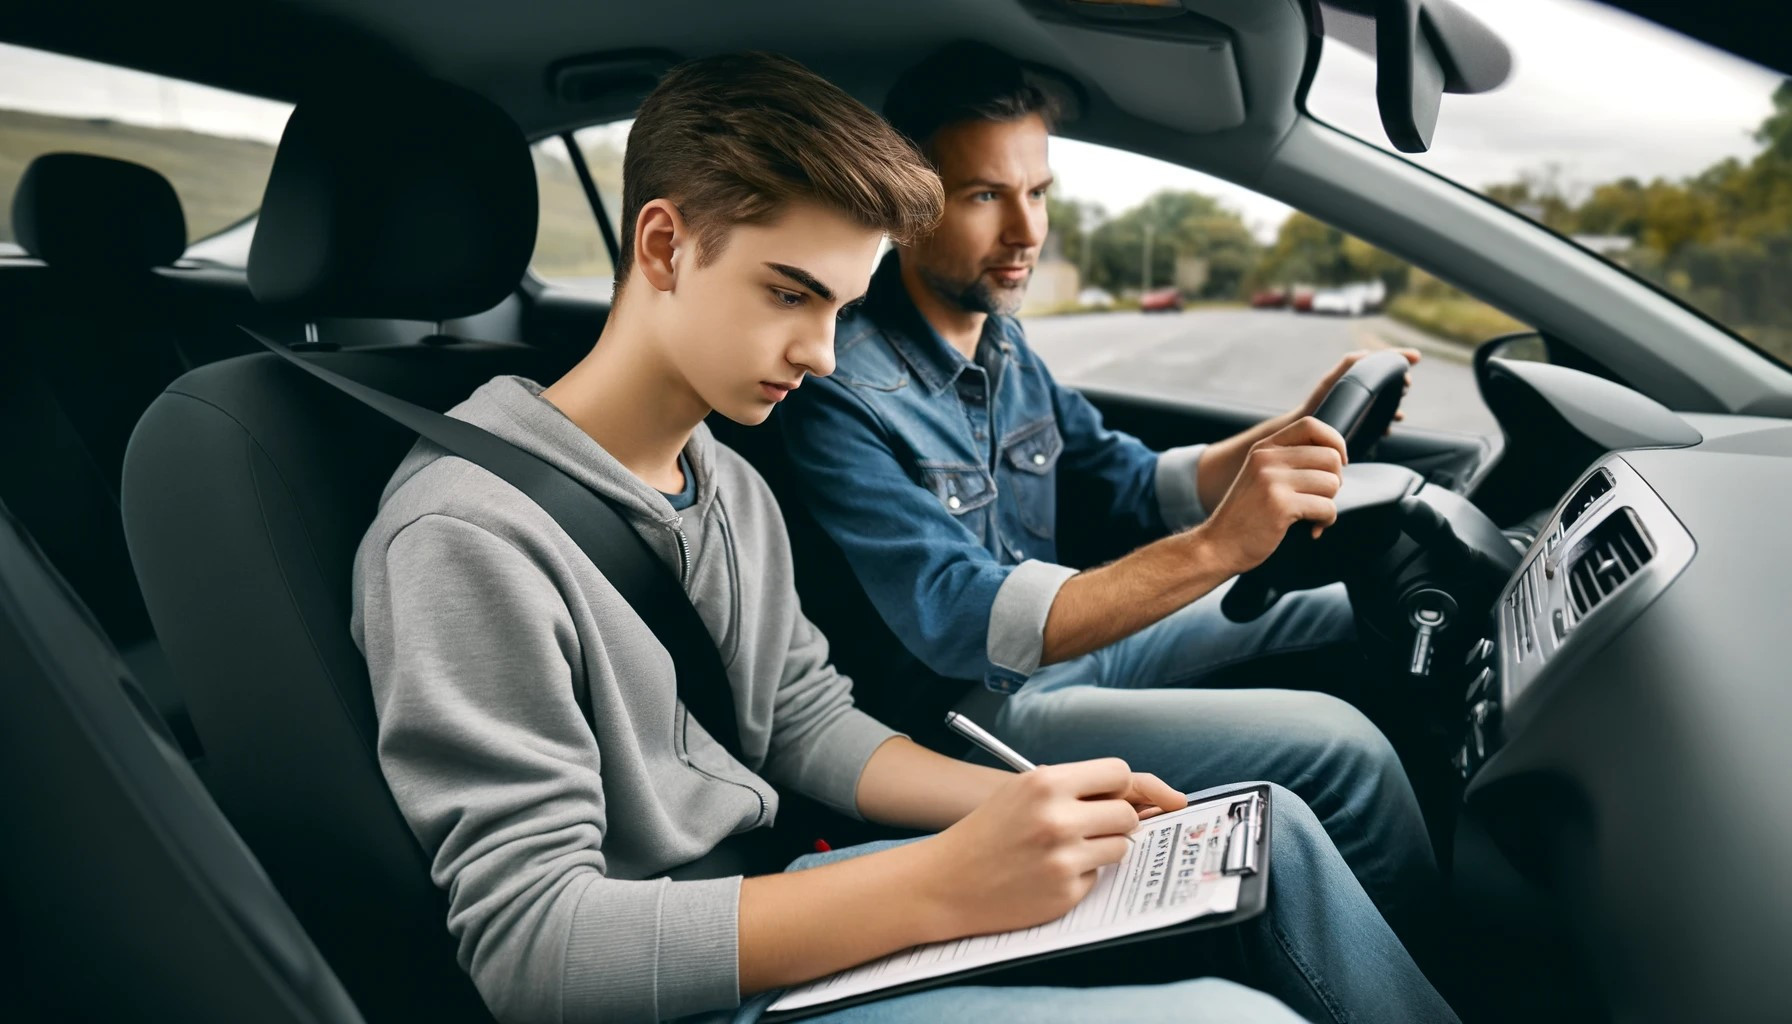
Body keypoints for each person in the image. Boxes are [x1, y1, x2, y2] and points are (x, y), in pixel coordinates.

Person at [351, 52, 1456, 1024]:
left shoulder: (726, 480)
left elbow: (803, 719)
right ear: (663, 244)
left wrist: (1029, 805)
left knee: (1267, 834)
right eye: (790, 293)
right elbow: (532, 951)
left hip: (793, 888)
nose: (825, 355)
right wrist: (944, 883)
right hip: (696, 975)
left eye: (841, 306)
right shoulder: (466, 530)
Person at [777, 41, 1437, 938]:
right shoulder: (835, 390)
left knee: (1352, 600)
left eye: (1038, 192)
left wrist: (1292, 426)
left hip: (1075, 653)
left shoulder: (999, 341)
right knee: (1347, 753)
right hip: (969, 712)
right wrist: (1217, 548)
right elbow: (962, 618)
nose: (1027, 232)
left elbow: (1130, 481)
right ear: (907, 206)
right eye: (985, 196)